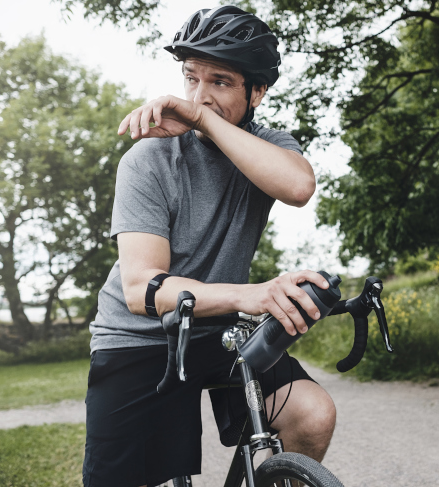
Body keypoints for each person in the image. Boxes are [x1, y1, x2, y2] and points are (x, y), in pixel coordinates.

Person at [82, 6, 337, 486]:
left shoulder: (268, 147)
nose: (198, 96)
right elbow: (142, 290)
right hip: (139, 338)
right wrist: (250, 295)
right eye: (190, 79)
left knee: (312, 413)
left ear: (258, 90)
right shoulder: (149, 159)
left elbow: (299, 187)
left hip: (216, 333)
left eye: (219, 81)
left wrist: (203, 119)